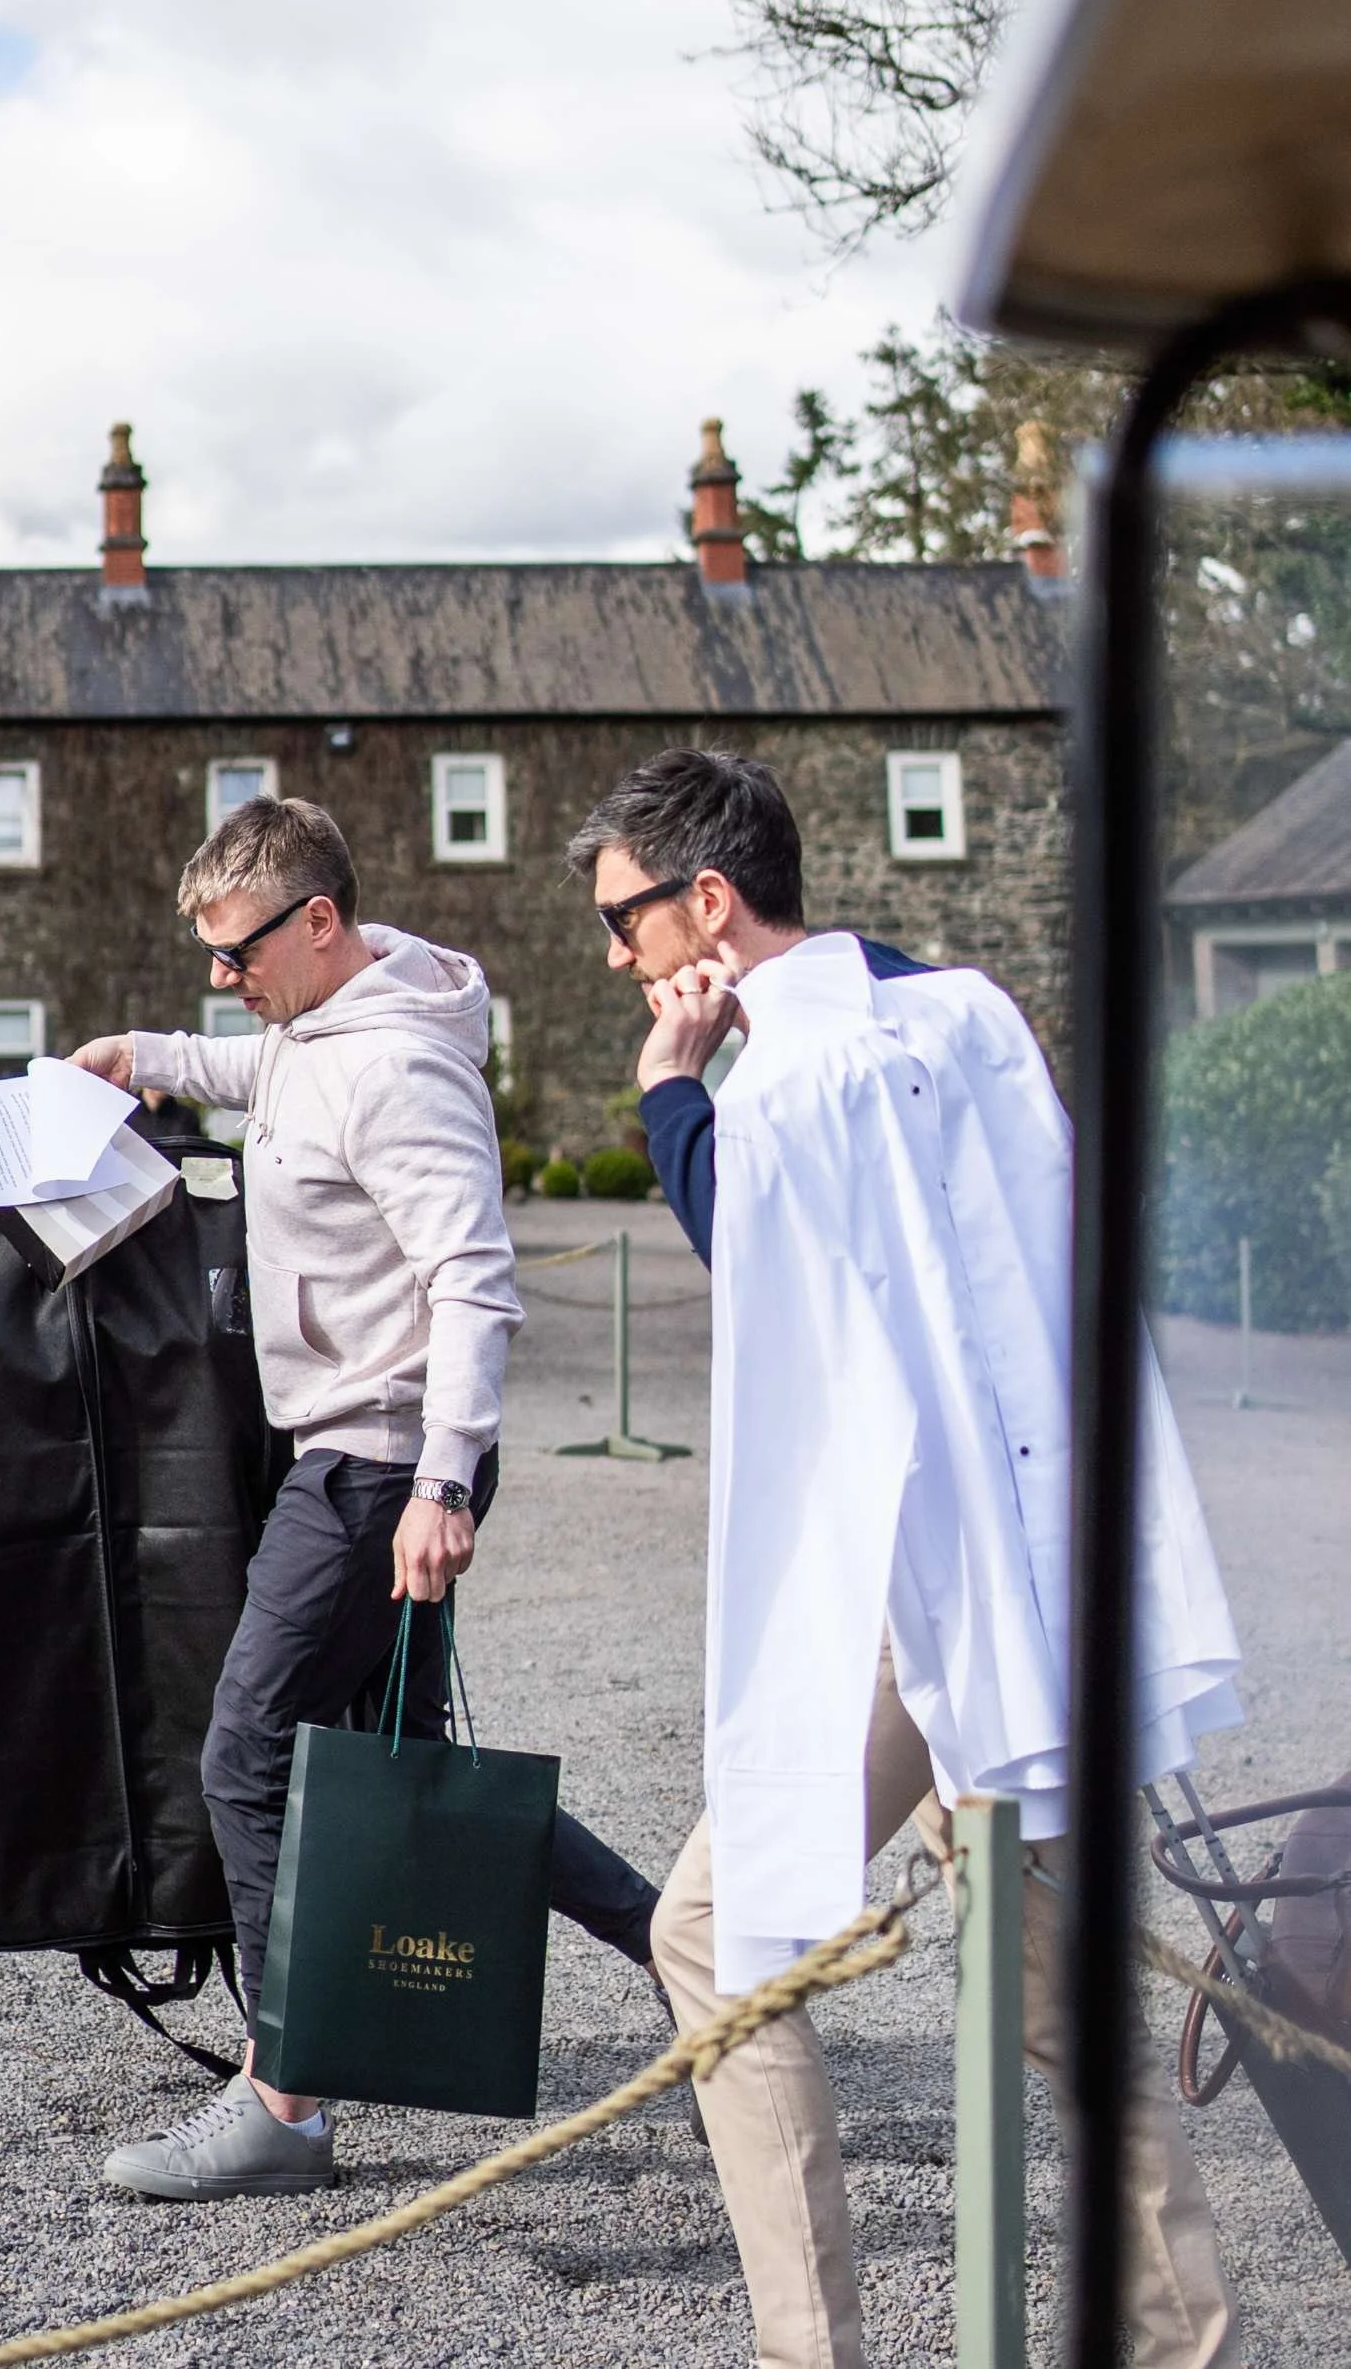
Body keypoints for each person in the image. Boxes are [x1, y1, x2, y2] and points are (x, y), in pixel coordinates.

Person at [567, 747, 1244, 2369]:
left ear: (708, 903)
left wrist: (673, 1092)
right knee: (1054, 1978)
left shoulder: (787, 1076)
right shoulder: (963, 1008)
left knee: (714, 1935)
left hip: (906, 1580)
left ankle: (820, 2350)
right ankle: (1188, 2333)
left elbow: (766, 1266)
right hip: (1024, 1553)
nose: (619, 959)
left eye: (628, 922)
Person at [73, 793, 661, 2201]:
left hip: (385, 1464)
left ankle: (287, 2095)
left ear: (319, 922)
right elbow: (260, 1068)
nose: (224, 976)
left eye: (237, 950)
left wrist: (443, 1482)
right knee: (386, 1776)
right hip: (355, 1455)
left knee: (248, 1751)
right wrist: (142, 1058)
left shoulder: (400, 1070)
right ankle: (679, 1943)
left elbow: (475, 1280)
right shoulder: (313, 1028)